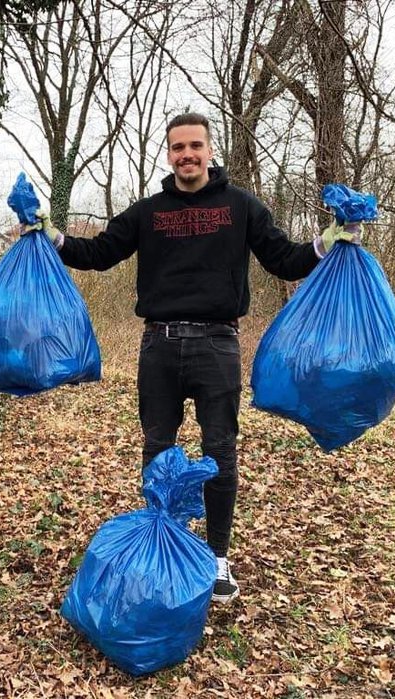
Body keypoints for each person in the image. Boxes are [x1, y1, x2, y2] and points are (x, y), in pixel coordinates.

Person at [26, 113, 359, 604]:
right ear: (168, 154)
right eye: (178, 147)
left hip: (217, 345)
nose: (187, 155)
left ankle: (218, 559)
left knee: (219, 450)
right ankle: (163, 547)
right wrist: (49, 234)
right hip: (157, 345)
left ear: (209, 149)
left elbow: (282, 259)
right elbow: (97, 252)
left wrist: (327, 242)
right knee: (157, 446)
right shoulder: (149, 212)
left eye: (195, 146)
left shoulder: (240, 205)